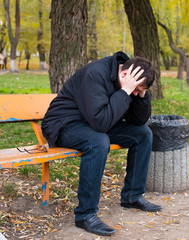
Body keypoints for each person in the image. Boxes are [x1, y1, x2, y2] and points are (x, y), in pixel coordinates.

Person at [41, 51, 162, 236]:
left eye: (141, 90)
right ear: (124, 75)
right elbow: (100, 122)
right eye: (137, 89)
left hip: (96, 122)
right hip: (64, 123)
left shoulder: (129, 82)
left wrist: (142, 96)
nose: (136, 93)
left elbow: (138, 120)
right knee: (98, 141)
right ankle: (85, 214)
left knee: (143, 134)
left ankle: (132, 196)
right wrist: (125, 92)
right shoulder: (96, 73)